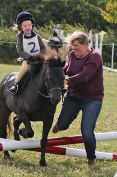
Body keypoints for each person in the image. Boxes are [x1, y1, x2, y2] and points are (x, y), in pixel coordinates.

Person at [52, 31, 104, 166]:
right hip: (73, 97)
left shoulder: (95, 57)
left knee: (86, 130)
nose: (74, 50)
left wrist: (67, 81)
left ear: (86, 44)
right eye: (73, 47)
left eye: (77, 47)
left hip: (92, 99)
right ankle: (60, 124)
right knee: (62, 125)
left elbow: (85, 75)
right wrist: (57, 73)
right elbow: (66, 69)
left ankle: (91, 158)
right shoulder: (72, 55)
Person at [8, 11, 46, 95]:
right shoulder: (20, 37)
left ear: (32, 25)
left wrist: (41, 55)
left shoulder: (37, 35)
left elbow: (43, 47)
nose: (28, 27)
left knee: (48, 67)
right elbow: (20, 50)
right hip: (27, 59)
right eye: (25, 25)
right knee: (24, 68)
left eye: (29, 25)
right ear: (21, 27)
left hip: (39, 58)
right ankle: (15, 85)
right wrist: (29, 57)